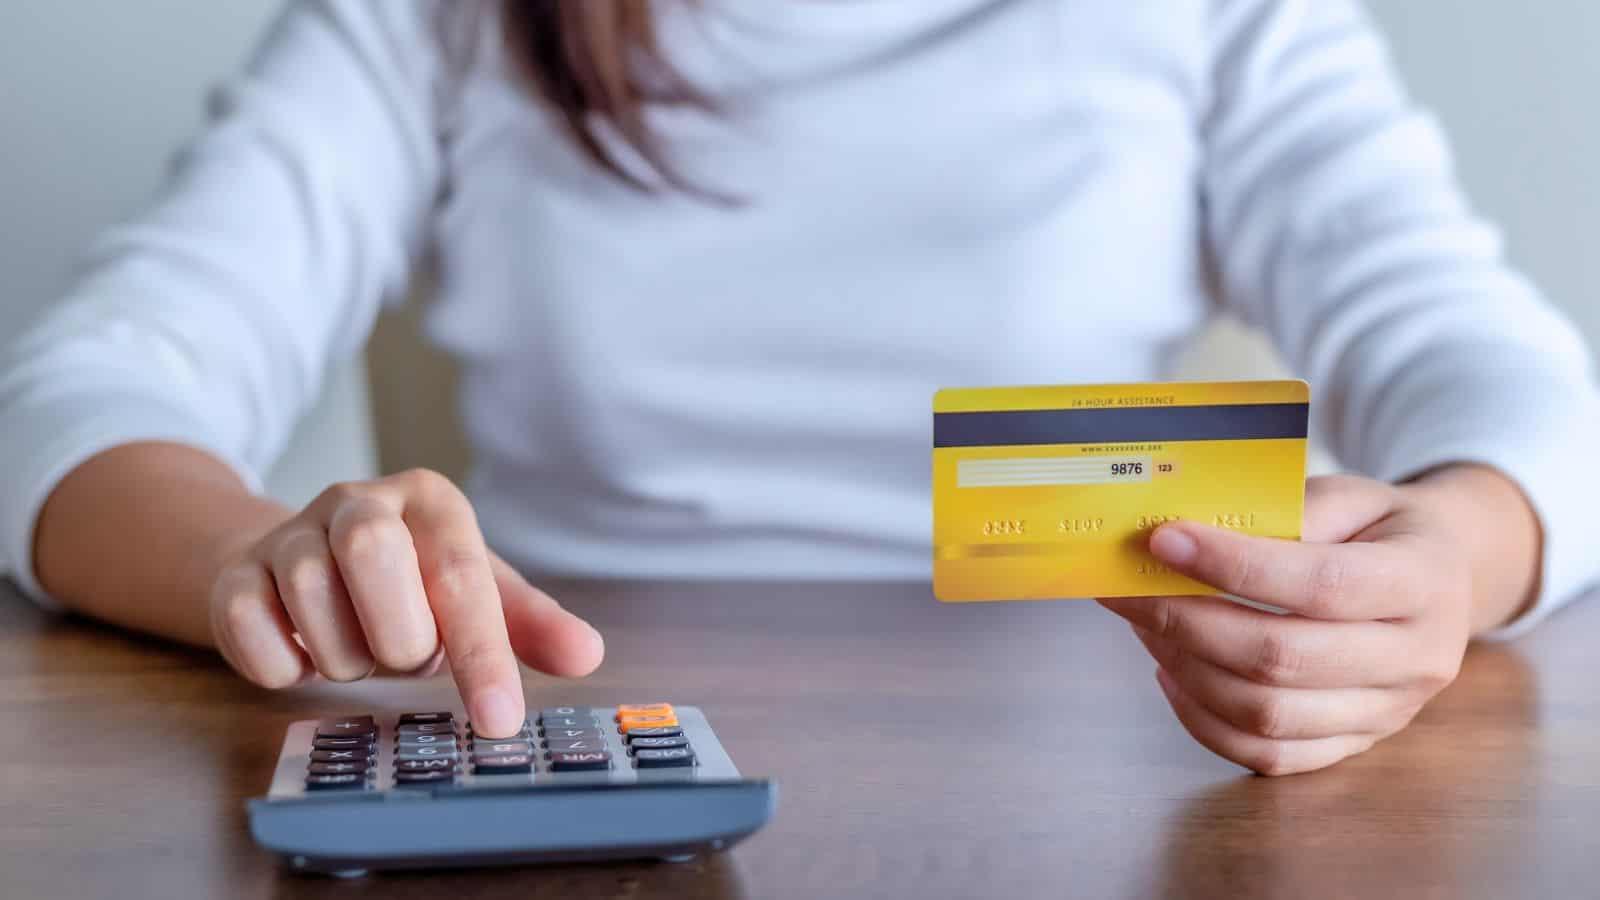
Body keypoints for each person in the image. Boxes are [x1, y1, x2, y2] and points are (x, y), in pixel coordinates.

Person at [2, 0, 1596, 772]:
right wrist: (248, 552)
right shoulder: (437, 22)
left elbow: (1512, 381)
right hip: (566, 749)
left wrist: (1454, 556)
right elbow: (81, 393)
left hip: (1092, 776)